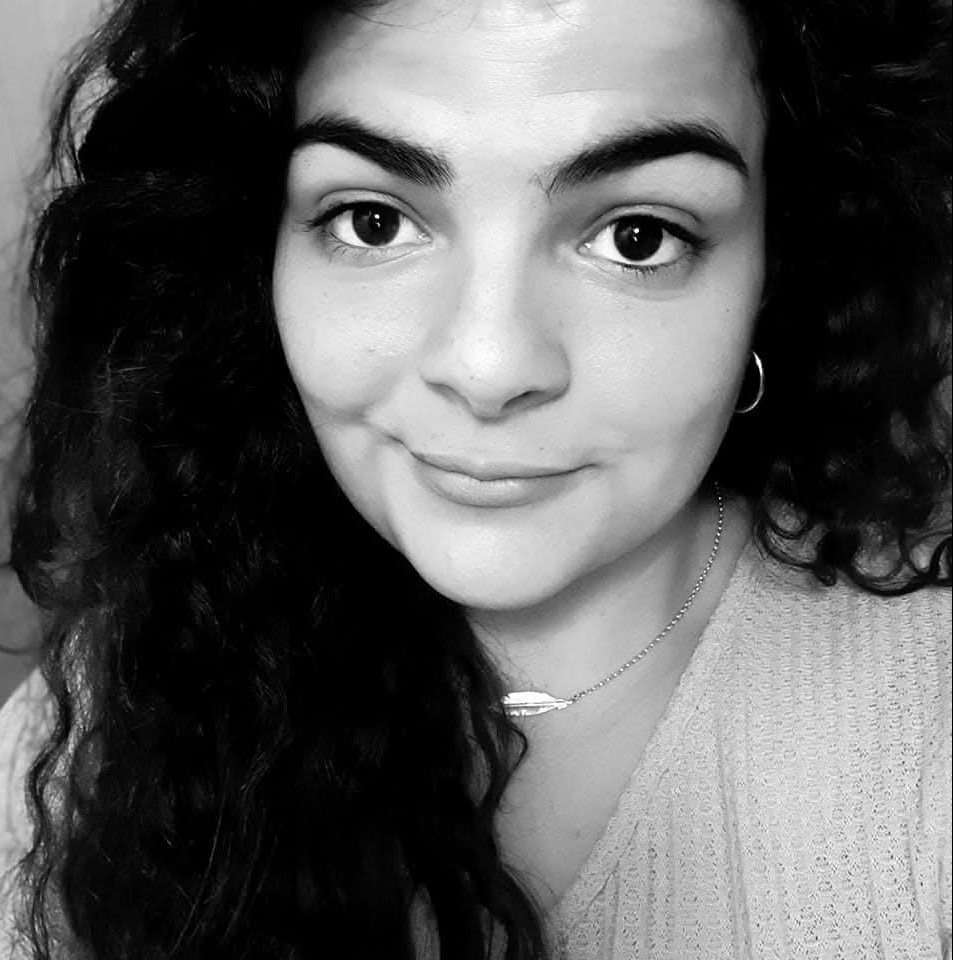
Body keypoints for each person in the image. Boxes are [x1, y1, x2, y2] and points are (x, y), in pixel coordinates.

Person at [0, 0, 950, 956]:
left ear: (774, 269)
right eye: (373, 222)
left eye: (637, 236)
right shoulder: (119, 696)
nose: (488, 367)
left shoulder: (925, 730)